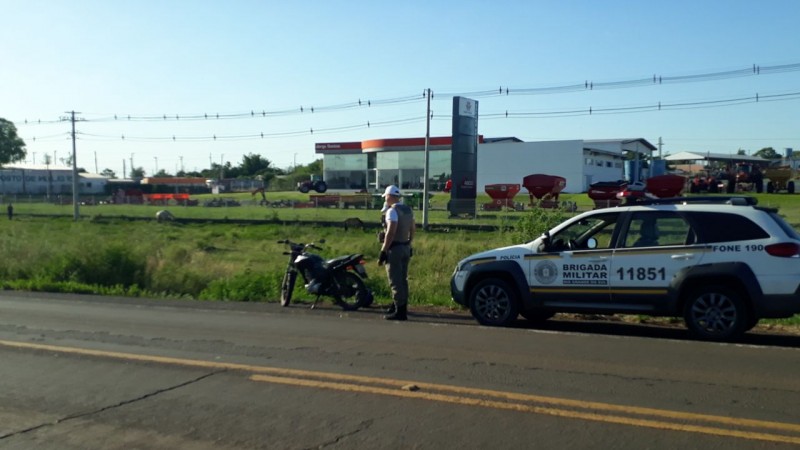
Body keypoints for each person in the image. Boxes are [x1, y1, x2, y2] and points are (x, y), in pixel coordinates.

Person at [377, 185, 415, 321]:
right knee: (403, 279)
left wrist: (384, 250)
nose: (385, 199)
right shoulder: (408, 210)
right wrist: (409, 243)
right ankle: (398, 305)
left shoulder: (392, 212)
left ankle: (400, 312)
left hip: (395, 249)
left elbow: (391, 232)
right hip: (405, 247)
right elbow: (412, 229)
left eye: (386, 196)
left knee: (395, 281)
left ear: (391, 196)